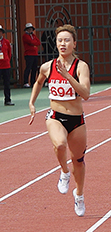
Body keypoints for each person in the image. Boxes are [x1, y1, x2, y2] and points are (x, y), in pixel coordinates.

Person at [27, 24, 91, 216]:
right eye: (59, 40)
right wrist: (32, 103)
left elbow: (86, 93)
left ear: (74, 43)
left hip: (76, 119)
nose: (63, 44)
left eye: (67, 40)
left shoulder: (81, 66)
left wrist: (67, 77)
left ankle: (79, 194)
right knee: (60, 145)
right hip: (55, 116)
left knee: (78, 161)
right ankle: (64, 172)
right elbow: (38, 82)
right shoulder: (47, 66)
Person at [22, 22, 41, 88]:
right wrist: (34, 43)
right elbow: (31, 42)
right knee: (28, 68)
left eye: (31, 29)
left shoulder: (33, 36)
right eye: (29, 29)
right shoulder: (25, 36)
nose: (30, 30)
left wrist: (34, 43)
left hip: (35, 54)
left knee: (34, 68)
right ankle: (26, 82)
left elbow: (38, 42)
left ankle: (33, 82)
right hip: (28, 54)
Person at [0, 26, 12, 106]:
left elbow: (9, 53)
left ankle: (7, 100)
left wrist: (7, 60)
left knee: (7, 84)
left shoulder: (6, 42)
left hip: (5, 65)